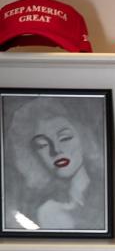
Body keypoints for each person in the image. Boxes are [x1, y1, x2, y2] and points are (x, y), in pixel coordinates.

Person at [4, 96, 104, 232]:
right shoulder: (46, 212)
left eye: (65, 138)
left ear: (84, 137)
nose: (56, 150)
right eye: (42, 145)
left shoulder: (103, 195)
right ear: (33, 155)